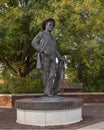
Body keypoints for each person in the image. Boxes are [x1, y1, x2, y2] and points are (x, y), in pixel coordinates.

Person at [31, 18, 64, 97]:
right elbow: (33, 42)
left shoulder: (53, 37)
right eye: (50, 25)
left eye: (52, 25)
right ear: (45, 25)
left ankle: (49, 90)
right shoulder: (41, 34)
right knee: (46, 74)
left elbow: (54, 49)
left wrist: (60, 57)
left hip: (53, 58)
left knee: (53, 73)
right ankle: (46, 92)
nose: (51, 26)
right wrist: (42, 50)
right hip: (45, 56)